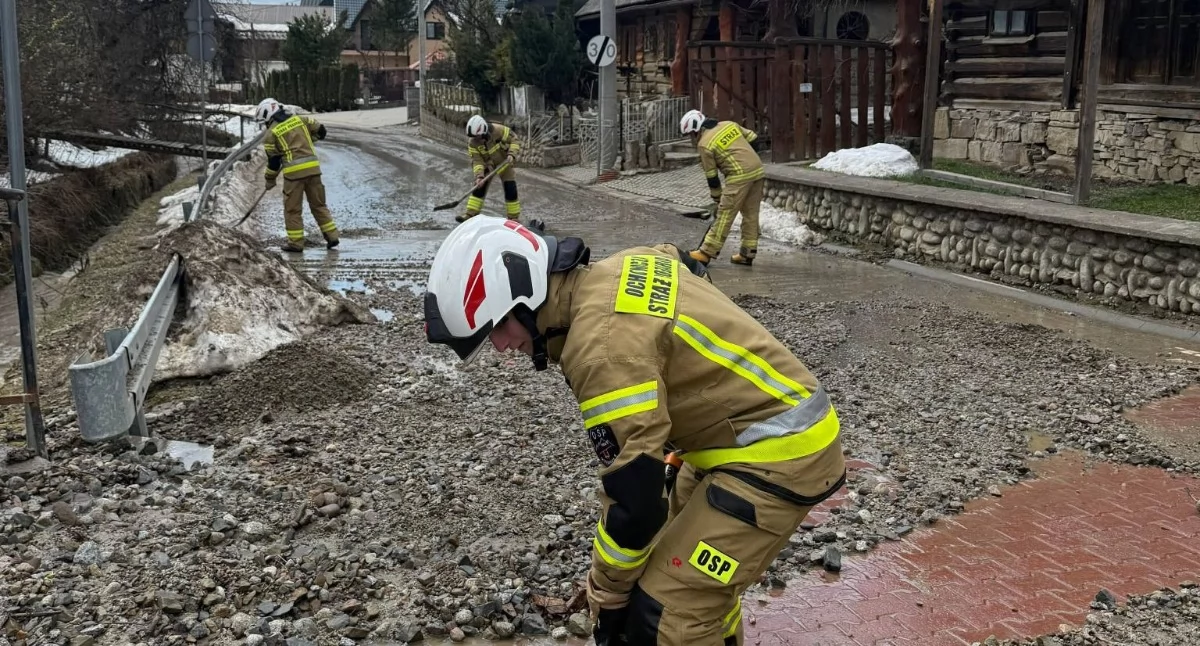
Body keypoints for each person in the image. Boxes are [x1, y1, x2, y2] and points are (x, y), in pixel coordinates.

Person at [423, 216, 846, 646]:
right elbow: (687, 265)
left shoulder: (600, 350)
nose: (499, 346)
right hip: (740, 439)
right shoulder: (626, 264)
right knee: (683, 577)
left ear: (525, 298)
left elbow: (636, 504)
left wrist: (606, 596)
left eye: (497, 327)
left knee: (667, 612)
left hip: (781, 454)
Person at [680, 109, 765, 267]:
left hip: (739, 175)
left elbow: (712, 177)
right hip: (757, 170)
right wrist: (748, 158)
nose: (692, 138)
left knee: (724, 214)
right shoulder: (728, 125)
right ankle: (747, 253)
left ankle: (706, 253)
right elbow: (753, 138)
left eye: (691, 134)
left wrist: (718, 198)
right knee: (751, 213)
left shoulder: (704, 144)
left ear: (696, 129)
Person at [254, 98, 339, 253]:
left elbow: (274, 162)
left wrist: (269, 179)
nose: (265, 125)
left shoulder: (271, 134)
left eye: (264, 122)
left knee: (292, 210)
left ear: (269, 117)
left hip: (294, 176)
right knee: (319, 205)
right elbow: (321, 131)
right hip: (313, 170)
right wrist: (309, 141)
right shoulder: (301, 120)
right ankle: (332, 236)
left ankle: (296, 243)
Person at [460, 114, 522, 223]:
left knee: (510, 188)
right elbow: (477, 161)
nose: (475, 139)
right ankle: (470, 214)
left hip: (504, 161)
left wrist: (512, 154)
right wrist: (479, 176)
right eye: (473, 137)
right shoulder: (472, 142)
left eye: (477, 136)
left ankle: (513, 217)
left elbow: (514, 139)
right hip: (488, 164)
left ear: (483, 130)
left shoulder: (498, 130)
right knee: (479, 187)